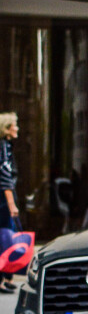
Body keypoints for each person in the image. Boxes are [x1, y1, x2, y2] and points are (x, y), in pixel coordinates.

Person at [0, 112, 19, 294]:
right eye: (14, 124)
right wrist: (12, 204)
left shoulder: (6, 146)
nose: (17, 128)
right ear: (6, 128)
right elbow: (4, 177)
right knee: (6, 239)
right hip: (3, 202)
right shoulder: (3, 146)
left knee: (5, 238)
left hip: (3, 200)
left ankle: (6, 278)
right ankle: (3, 279)